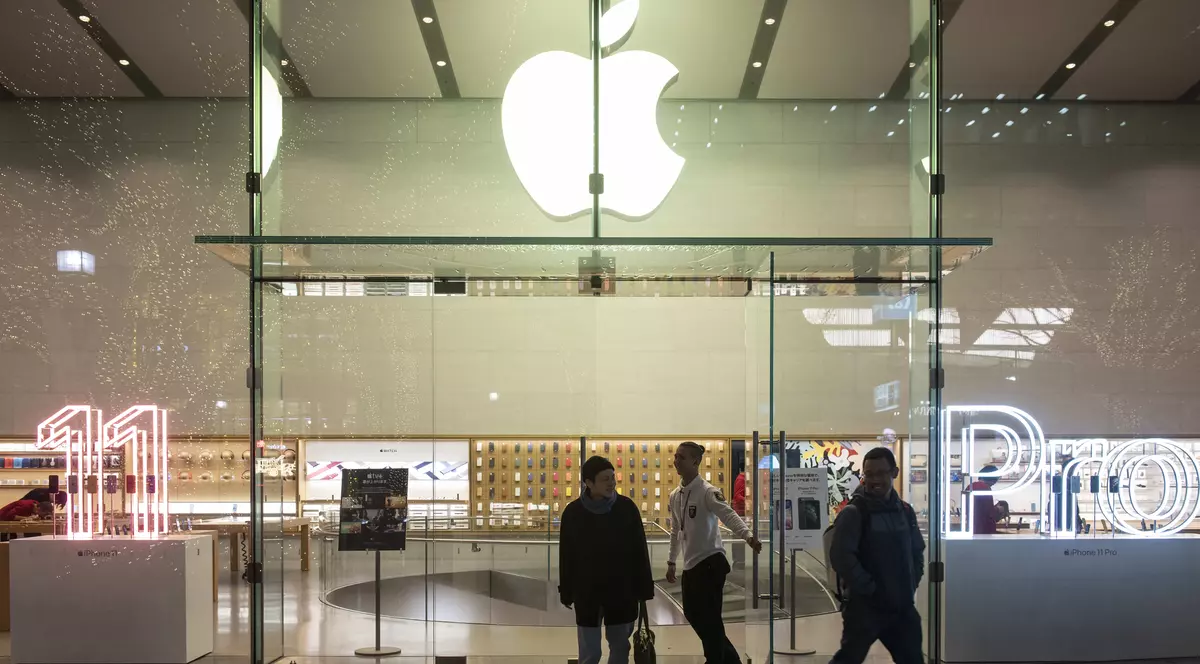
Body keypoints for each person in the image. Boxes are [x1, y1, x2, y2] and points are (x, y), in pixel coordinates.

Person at [666, 441, 761, 664]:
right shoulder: (675, 495)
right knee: (692, 613)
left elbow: (728, 515)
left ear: (695, 462)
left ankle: (716, 659)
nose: (676, 460)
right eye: (676, 456)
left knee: (710, 619)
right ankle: (730, 660)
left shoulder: (708, 492)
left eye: (681, 457)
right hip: (691, 565)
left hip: (710, 563)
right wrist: (671, 561)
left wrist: (747, 536)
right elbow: (675, 530)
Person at [827, 447, 924, 664]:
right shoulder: (853, 513)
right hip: (865, 609)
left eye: (881, 473)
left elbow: (917, 551)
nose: (874, 480)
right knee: (848, 659)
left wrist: (910, 583)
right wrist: (870, 589)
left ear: (894, 472)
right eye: (869, 474)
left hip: (902, 607)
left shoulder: (905, 511)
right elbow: (841, 557)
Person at [559, 456, 654, 664]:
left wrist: (644, 589)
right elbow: (567, 555)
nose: (611, 483)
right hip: (587, 593)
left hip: (621, 592)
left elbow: (639, 551)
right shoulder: (573, 513)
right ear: (589, 483)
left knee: (620, 647)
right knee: (589, 651)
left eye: (613, 477)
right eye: (605, 479)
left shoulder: (627, 508)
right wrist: (566, 590)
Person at [967, 465, 1001, 535]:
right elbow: (989, 513)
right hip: (983, 530)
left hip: (972, 527)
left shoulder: (970, 486)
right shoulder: (985, 488)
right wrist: (999, 509)